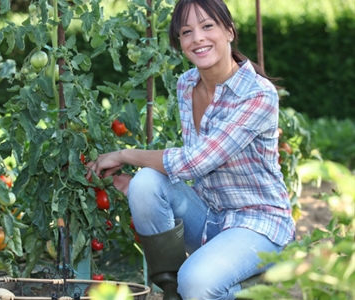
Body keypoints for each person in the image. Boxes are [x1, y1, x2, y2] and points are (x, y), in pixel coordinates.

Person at [86, 0, 296, 299]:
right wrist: (136, 189)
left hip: (258, 224)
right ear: (180, 42)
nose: (197, 38)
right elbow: (186, 168)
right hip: (208, 213)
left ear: (229, 31)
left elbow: (196, 161)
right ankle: (174, 293)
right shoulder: (186, 84)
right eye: (187, 31)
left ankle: (227, 288)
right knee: (145, 183)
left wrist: (123, 154)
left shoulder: (258, 95)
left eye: (207, 26)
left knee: (198, 281)